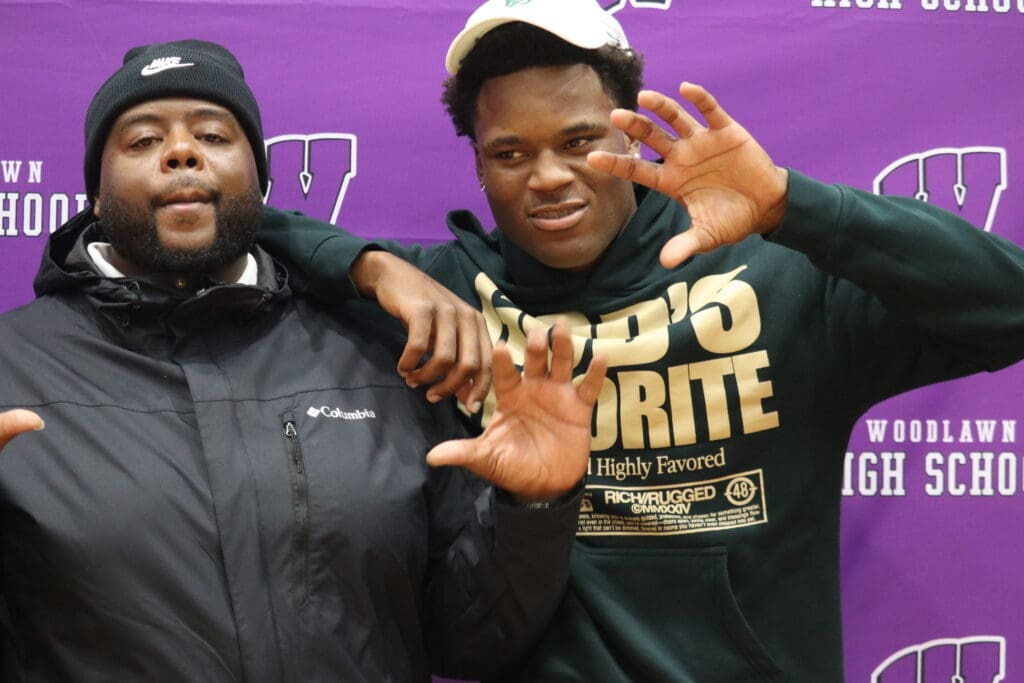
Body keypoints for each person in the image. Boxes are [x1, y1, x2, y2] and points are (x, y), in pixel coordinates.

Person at [257, 1, 1024, 680]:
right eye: (511, 153)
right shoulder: (450, 299)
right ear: (479, 167)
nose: (548, 176)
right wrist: (372, 265)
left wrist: (792, 205)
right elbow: (232, 223)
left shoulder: (774, 276)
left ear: (632, 134)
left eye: (579, 140)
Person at [0, 39, 611, 682]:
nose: (181, 152)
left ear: (261, 182)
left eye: (212, 135)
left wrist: (532, 509)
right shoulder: (12, 368)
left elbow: (466, 641)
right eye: (143, 140)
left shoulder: (382, 353)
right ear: (95, 196)